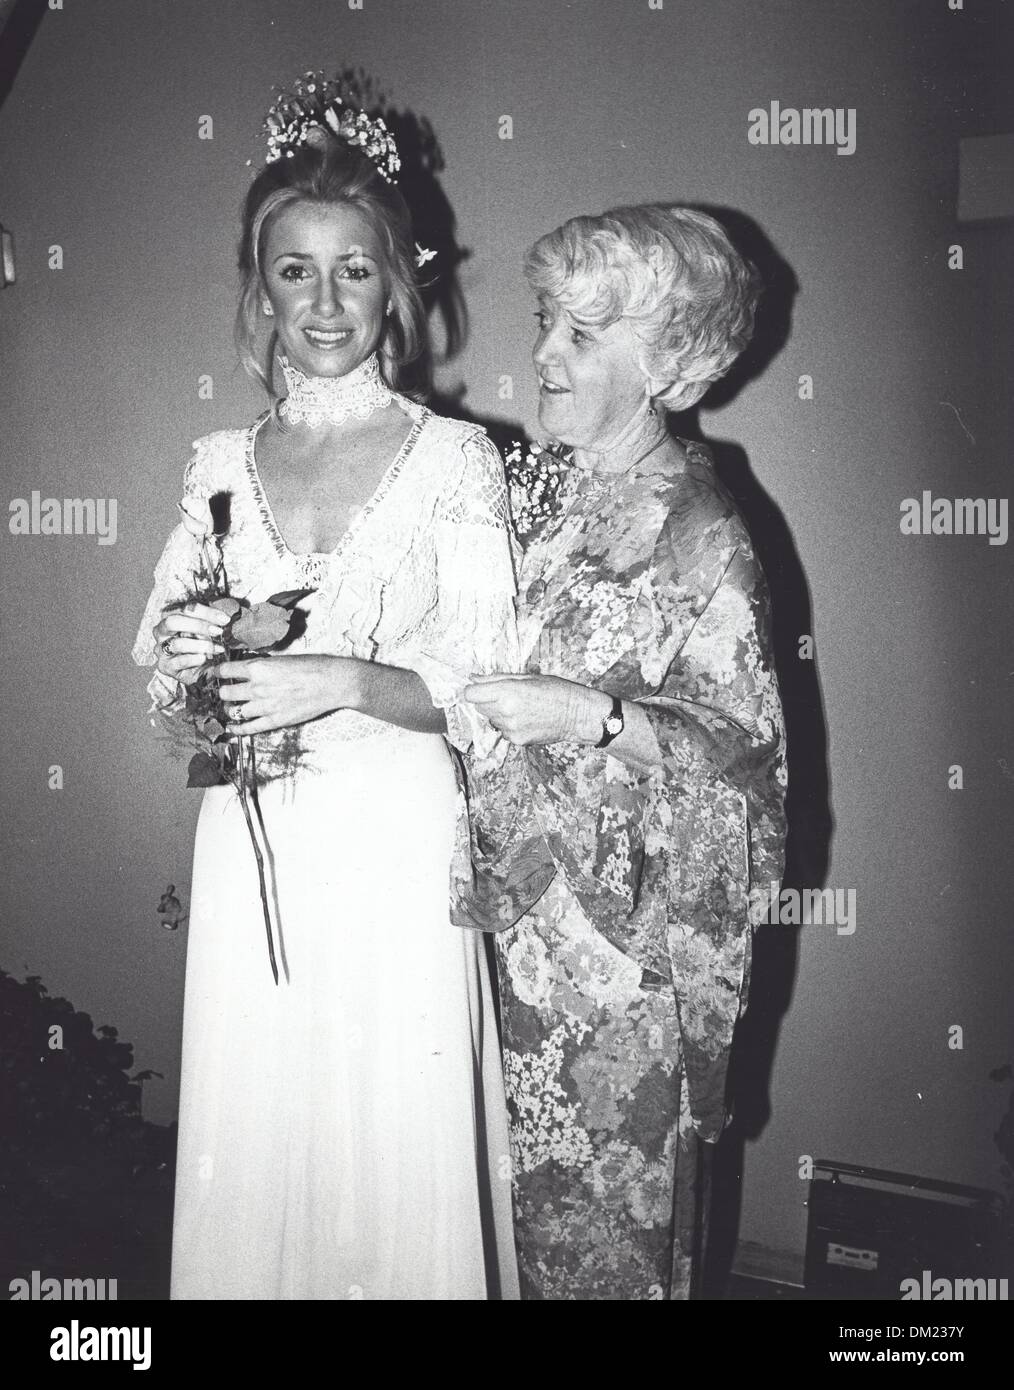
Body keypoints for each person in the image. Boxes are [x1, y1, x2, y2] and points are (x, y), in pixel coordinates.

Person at [132, 75, 519, 1300]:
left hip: (397, 838)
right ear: (260, 289)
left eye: (354, 268)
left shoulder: (457, 460)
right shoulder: (215, 464)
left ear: (398, 279)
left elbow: (488, 690)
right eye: (294, 271)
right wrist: (204, 672)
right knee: (262, 1126)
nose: (326, 301)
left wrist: (339, 677)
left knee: (391, 1141)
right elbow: (163, 669)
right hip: (256, 841)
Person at [460, 204, 787, 1299]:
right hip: (501, 930)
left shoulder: (701, 529)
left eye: (580, 334)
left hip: (615, 969)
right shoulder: (544, 491)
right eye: (545, 318)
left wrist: (590, 719)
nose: (541, 352)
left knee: (597, 1252)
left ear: (668, 362)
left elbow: (744, 765)